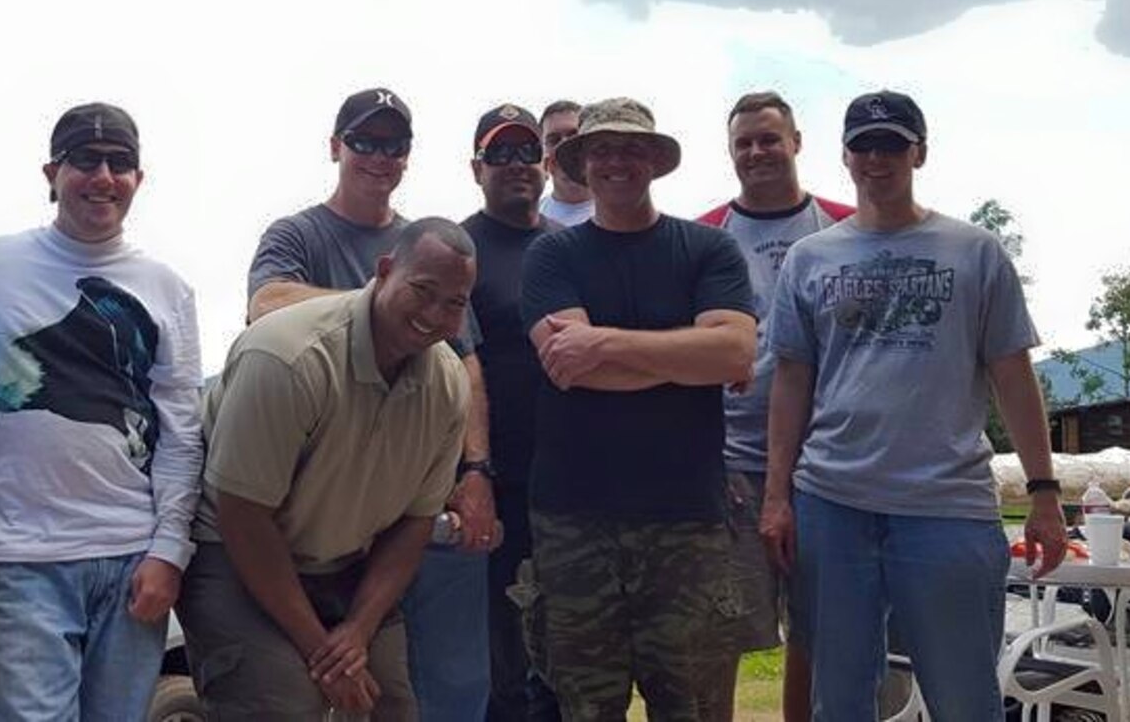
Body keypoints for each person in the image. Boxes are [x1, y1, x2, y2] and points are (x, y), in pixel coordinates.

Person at [760, 91, 1067, 722]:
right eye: (865, 146)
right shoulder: (809, 258)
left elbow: (1012, 373)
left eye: (893, 145)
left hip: (946, 506)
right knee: (839, 698)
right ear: (844, 156)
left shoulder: (974, 251)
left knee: (964, 696)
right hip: (832, 501)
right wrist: (776, 496)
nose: (878, 159)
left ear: (919, 152)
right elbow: (791, 381)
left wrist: (1043, 492)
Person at [0, 103, 203, 722]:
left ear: (139, 179)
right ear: (52, 171)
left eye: (121, 163)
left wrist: (169, 549)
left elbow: (181, 430)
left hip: (131, 559)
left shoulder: (167, 288)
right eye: (86, 160)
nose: (103, 176)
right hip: (13, 558)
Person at [246, 87, 496, 719]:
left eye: (394, 144)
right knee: (299, 690)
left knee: (420, 684)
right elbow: (266, 305)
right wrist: (374, 310)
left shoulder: (429, 245)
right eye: (365, 141)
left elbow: (463, 360)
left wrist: (475, 472)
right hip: (306, 511)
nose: (379, 156)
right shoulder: (295, 233)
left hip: (405, 505)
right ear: (336, 147)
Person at [519, 97, 759, 720]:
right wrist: (683, 356)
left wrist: (603, 341)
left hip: (687, 521)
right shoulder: (551, 257)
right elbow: (569, 368)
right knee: (584, 708)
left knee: (696, 708)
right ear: (581, 163)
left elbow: (735, 354)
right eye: (601, 150)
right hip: (574, 522)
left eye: (631, 149)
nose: (616, 162)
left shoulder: (710, 250)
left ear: (654, 160)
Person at [180, 218, 476, 721]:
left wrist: (357, 632)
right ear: (385, 272)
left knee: (392, 706)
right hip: (233, 552)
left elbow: (415, 522)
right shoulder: (287, 357)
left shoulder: (449, 386)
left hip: (344, 562)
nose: (435, 314)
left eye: (454, 303)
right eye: (423, 291)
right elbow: (243, 517)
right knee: (285, 702)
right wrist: (324, 652)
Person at [693, 91, 852, 722]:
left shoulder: (845, 226)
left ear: (796, 142)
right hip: (731, 462)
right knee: (720, 632)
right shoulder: (704, 236)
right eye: (744, 142)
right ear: (731, 152)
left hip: (828, 464)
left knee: (820, 634)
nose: (757, 152)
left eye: (769, 138)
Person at [459, 104, 561, 722]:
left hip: (575, 485)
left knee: (571, 655)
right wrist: (477, 474)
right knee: (503, 660)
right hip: (496, 485)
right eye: (499, 154)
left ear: (546, 165)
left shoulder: (572, 247)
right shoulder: (456, 247)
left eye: (526, 152)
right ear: (476, 168)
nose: (515, 165)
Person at [536, 100, 592, 229]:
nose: (564, 146)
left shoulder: (622, 216)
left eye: (574, 136)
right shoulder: (530, 221)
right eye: (554, 140)